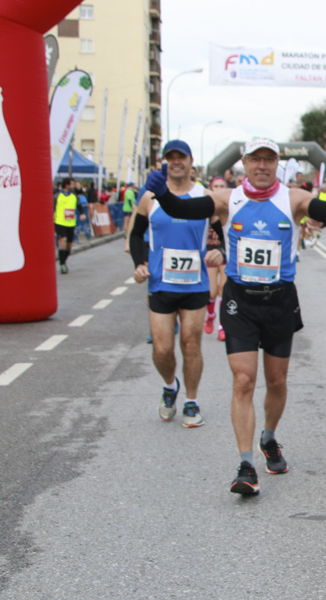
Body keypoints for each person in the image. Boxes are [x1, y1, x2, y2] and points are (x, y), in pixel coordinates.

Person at [145, 138, 326, 496]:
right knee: (243, 380)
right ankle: (245, 465)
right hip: (241, 301)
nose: (261, 166)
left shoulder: (293, 198)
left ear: (277, 164)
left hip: (280, 302)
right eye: (255, 159)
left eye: (268, 160)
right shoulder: (228, 199)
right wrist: (163, 195)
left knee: (276, 381)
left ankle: (269, 437)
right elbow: (185, 209)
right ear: (243, 163)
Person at [128, 140, 222, 428]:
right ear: (165, 162)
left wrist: (222, 252)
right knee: (162, 349)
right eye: (171, 157)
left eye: (181, 157)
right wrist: (140, 264)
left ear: (191, 161)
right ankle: (171, 385)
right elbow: (136, 234)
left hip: (194, 284)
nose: (176, 161)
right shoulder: (150, 197)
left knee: (191, 344)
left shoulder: (205, 196)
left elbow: (221, 232)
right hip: (160, 283)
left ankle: (191, 401)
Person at [205, 176, 230, 341]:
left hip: (225, 253)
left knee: (223, 289)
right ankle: (210, 315)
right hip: (209, 252)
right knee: (212, 292)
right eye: (216, 186)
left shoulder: (230, 209)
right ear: (211, 188)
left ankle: (222, 326)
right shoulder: (205, 208)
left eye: (222, 186)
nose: (219, 188)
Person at [54, 178, 77, 274]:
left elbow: (79, 206)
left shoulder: (74, 196)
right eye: (72, 184)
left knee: (69, 246)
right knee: (62, 241)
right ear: (66, 185)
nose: (74, 186)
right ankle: (62, 264)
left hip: (71, 223)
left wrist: (83, 213)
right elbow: (51, 206)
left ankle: (63, 260)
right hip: (59, 222)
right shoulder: (57, 196)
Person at [122, 182, 139, 253]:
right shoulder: (129, 191)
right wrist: (132, 207)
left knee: (128, 221)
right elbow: (129, 200)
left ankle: (126, 233)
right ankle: (126, 233)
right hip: (128, 208)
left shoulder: (130, 191)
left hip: (129, 208)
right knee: (127, 221)